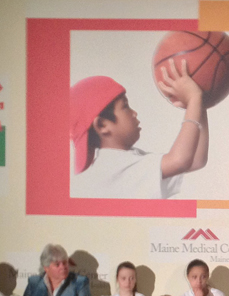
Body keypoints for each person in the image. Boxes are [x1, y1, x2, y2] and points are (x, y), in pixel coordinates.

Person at [70, 58, 209, 199]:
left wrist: (199, 105)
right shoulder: (110, 166)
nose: (134, 113)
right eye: (125, 106)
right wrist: (193, 98)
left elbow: (195, 161)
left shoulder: (129, 158)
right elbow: (179, 161)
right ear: (102, 125)